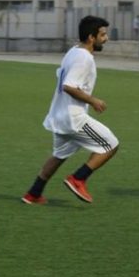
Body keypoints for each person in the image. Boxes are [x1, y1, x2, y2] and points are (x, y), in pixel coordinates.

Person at [22, 15, 119, 205]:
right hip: (73, 118)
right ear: (91, 37)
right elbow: (69, 86)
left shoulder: (73, 51)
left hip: (58, 115)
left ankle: (34, 193)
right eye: (103, 35)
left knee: (59, 155)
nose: (106, 39)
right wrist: (93, 101)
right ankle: (78, 178)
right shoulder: (84, 58)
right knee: (111, 145)